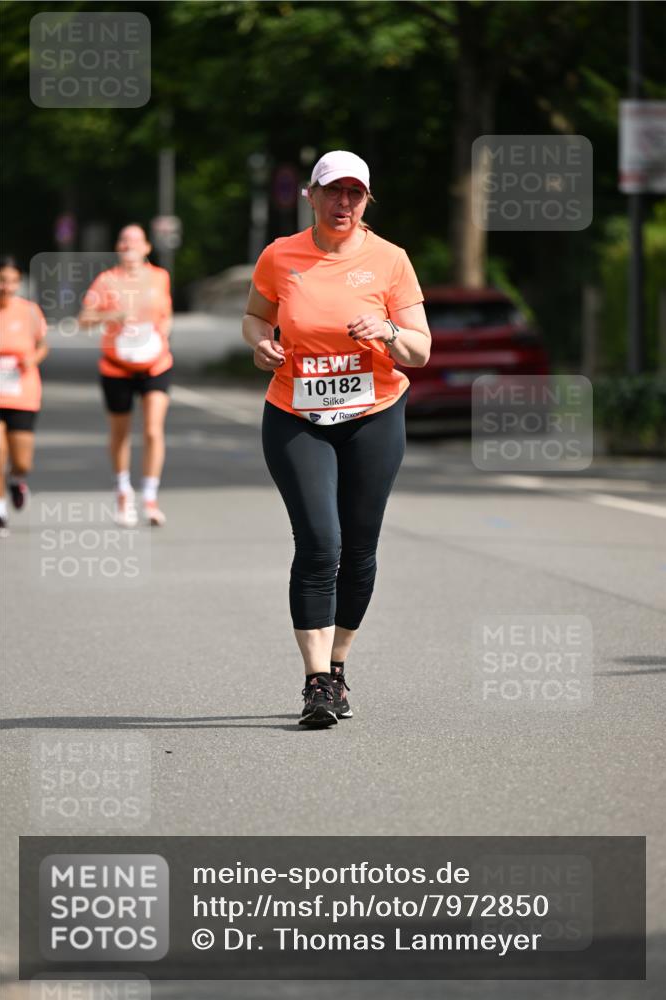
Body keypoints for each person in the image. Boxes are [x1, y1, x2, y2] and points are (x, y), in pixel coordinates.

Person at [242, 150, 431, 728]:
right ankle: (316, 682)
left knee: (360, 548)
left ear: (366, 199)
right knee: (320, 543)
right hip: (296, 414)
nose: (343, 203)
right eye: (332, 191)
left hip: (374, 413)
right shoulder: (281, 255)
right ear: (311, 195)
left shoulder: (390, 261)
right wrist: (261, 344)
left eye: (354, 193)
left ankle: (339, 664)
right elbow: (255, 317)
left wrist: (389, 329)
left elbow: (420, 351)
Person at [79, 225, 172, 527]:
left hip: (155, 364)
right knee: (121, 433)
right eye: (123, 240)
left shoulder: (160, 277)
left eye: (134, 241)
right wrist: (111, 316)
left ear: (146, 247)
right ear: (118, 247)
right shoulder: (107, 281)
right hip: (116, 366)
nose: (128, 245)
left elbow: (165, 314)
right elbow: (84, 320)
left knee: (153, 430)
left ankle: (150, 496)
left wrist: (160, 339)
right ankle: (122, 491)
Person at [0, 256, 49, 537]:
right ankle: (0, 510)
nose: (5, 286)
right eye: (1, 280)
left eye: (11, 280)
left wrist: (33, 359)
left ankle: (17, 480)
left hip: (22, 393)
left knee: (21, 461)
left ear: (18, 283)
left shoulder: (29, 311)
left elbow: (43, 346)